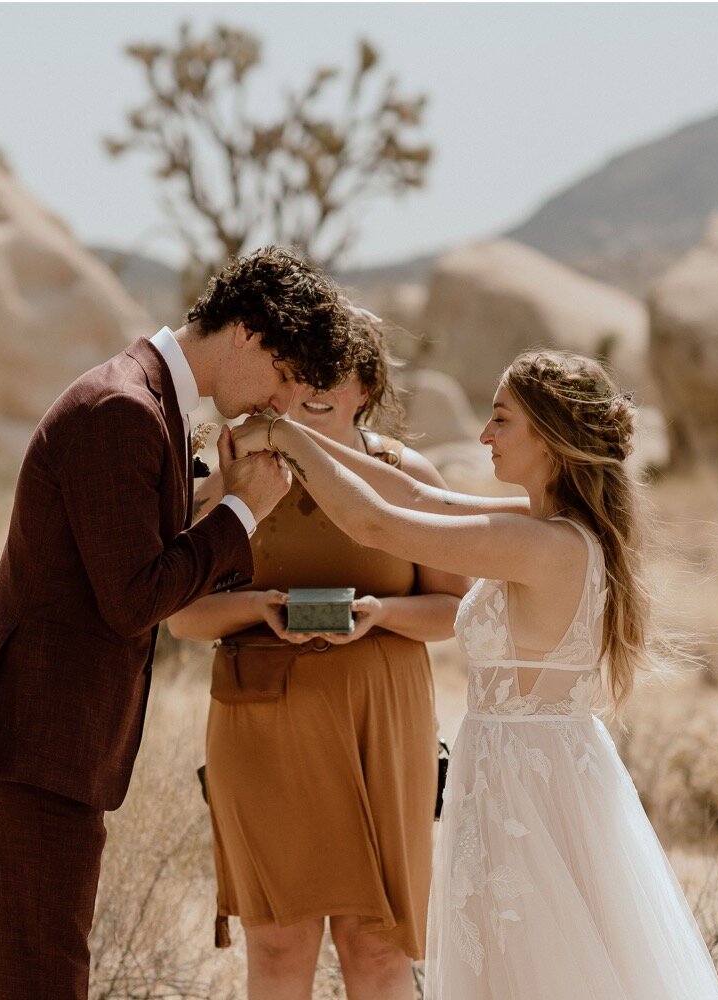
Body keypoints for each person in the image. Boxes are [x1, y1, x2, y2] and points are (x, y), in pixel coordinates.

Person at [231, 350, 718, 1000]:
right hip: (522, 771)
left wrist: (286, 436)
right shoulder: (548, 530)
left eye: (500, 420)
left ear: (549, 438)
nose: (484, 436)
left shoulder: (538, 545)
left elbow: (376, 522)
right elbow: (410, 492)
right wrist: (303, 442)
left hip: (529, 787)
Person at [0, 247, 355, 1000]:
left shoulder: (148, 401)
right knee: (43, 982)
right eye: (286, 377)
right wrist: (241, 511)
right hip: (32, 740)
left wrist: (220, 493)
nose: (282, 404)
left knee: (49, 975)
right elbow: (133, 596)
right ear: (247, 332)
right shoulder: (121, 409)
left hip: (52, 741)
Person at [168, 315, 469, 1000]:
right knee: (277, 944)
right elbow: (181, 615)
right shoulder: (232, 473)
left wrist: (382, 615)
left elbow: (455, 612)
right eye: (294, 367)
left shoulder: (404, 474)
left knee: (378, 946)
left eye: (329, 371)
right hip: (264, 733)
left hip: (383, 732)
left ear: (367, 386)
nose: (308, 385)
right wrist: (260, 607)